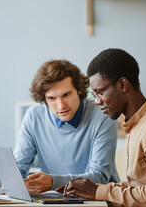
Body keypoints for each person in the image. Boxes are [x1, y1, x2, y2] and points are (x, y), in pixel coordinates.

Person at [58, 49, 146, 206]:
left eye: (100, 93)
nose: (97, 101)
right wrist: (95, 190)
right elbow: (140, 188)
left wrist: (99, 192)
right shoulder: (137, 123)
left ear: (122, 84)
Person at [14, 59, 119, 194]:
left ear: (79, 90)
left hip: (97, 199)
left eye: (66, 94)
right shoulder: (34, 116)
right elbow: (17, 170)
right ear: (44, 99)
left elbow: (99, 177)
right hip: (55, 199)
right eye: (52, 98)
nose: (61, 105)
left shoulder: (103, 114)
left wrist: (52, 182)